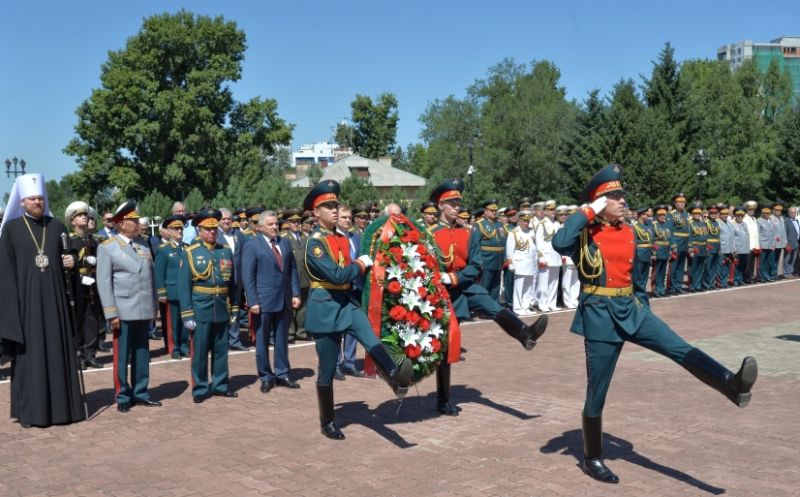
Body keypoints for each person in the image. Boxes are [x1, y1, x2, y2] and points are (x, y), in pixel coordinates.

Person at [552, 164, 758, 484]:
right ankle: (592, 457)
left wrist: (642, 305)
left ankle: (731, 383)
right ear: (598, 202)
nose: (623, 200)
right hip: (599, 317)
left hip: (631, 309)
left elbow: (634, 275)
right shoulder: (583, 232)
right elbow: (558, 241)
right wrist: (588, 209)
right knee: (597, 393)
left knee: (678, 347)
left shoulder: (628, 231)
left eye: (622, 194)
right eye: (615, 196)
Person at [302, 180, 414, 440]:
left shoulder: (341, 238)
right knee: (327, 371)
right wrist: (361, 264)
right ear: (315, 213)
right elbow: (339, 274)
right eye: (327, 206)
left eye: (335, 205)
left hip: (346, 302)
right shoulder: (315, 244)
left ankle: (396, 375)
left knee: (369, 337)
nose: (333, 209)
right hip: (325, 306)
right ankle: (327, 420)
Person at [429, 178, 548, 416]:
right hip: (442, 293)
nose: (456, 207)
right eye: (451, 202)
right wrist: (439, 280)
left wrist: (455, 278)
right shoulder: (430, 234)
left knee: (491, 304)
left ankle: (524, 334)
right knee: (446, 345)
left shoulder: (469, 233)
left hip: (463, 285)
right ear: (441, 205)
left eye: (458, 202)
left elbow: (475, 265)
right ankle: (443, 399)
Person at [0, 174, 86, 428]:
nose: (37, 202)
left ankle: (63, 409)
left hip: (55, 302)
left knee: (58, 351)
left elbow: (66, 259)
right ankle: (32, 412)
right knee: (32, 357)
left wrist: (71, 263)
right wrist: (11, 310)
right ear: (22, 201)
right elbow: (5, 272)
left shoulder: (57, 226)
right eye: (32, 198)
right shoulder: (11, 229)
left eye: (40, 198)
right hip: (27, 305)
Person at [96, 201, 161, 413]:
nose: (138, 223)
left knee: (142, 353)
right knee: (122, 355)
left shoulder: (143, 246)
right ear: (122, 224)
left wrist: (153, 307)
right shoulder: (108, 247)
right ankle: (123, 394)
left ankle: (141, 392)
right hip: (122, 311)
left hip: (143, 309)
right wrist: (111, 312)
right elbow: (104, 283)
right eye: (133, 220)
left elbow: (151, 278)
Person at [178, 208, 239, 403]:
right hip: (200, 308)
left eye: (214, 229)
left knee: (221, 351)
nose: (212, 232)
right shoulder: (190, 252)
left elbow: (234, 283)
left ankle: (220, 385)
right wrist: (187, 314)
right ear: (199, 230)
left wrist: (235, 307)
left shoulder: (225, 250)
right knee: (200, 353)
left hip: (221, 307)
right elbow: (184, 286)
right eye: (207, 229)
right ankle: (200, 387)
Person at [242, 210, 301, 394]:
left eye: (276, 223)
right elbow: (248, 275)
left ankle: (282, 373)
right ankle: (266, 376)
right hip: (263, 301)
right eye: (271, 224)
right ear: (260, 227)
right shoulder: (252, 245)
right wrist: (252, 301)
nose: (275, 227)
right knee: (262, 341)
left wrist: (296, 293)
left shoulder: (284, 242)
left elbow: (292, 270)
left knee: (282, 340)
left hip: (283, 299)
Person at [65, 201, 104, 369]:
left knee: (93, 319)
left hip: (93, 284)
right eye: (80, 216)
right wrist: (79, 261)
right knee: (78, 320)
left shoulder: (95, 241)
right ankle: (78, 354)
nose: (84, 218)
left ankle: (91, 354)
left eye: (85, 215)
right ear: (73, 221)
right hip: (76, 285)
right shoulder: (69, 240)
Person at [334, 205, 366, 379]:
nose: (347, 220)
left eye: (349, 217)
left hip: (356, 287)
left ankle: (349, 362)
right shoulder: (331, 237)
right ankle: (336, 363)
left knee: (353, 327)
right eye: (343, 217)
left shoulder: (355, 237)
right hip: (339, 287)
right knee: (337, 327)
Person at [154, 214, 190, 359]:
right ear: (168, 231)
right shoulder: (163, 249)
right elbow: (159, 272)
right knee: (173, 323)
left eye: (181, 228)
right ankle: (174, 348)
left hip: (186, 292)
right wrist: (161, 292)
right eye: (175, 229)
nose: (179, 231)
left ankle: (184, 346)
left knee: (185, 321)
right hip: (172, 291)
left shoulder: (187, 248)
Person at [505, 210, 537, 316]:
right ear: (519, 221)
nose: (526, 223)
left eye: (527, 221)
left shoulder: (531, 232)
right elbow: (510, 249)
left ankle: (526, 306)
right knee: (519, 287)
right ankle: (518, 307)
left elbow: (534, 248)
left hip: (530, 263)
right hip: (519, 263)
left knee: (528, 287)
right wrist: (511, 262)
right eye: (524, 221)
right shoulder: (513, 233)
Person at [475, 199, 505, 302]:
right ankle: (483, 306)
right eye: (491, 210)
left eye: (495, 210)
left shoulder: (499, 224)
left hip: (499, 258)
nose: (494, 212)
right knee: (485, 285)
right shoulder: (480, 224)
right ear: (485, 211)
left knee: (496, 285)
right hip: (487, 258)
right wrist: (479, 260)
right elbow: (476, 244)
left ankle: (494, 304)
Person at [535, 200, 561, 312]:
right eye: (550, 209)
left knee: (554, 281)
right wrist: (541, 257)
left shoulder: (557, 224)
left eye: (554, 209)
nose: (553, 211)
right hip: (546, 256)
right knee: (543, 282)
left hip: (556, 255)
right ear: (545, 211)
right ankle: (542, 303)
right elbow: (538, 242)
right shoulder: (542, 224)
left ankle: (552, 303)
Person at [667, 194, 690, 294]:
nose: (682, 204)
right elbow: (670, 231)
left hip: (685, 243)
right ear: (675, 203)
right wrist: (673, 245)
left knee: (681, 266)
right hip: (677, 242)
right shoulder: (671, 214)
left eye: (683, 202)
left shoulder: (686, 214)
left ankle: (678, 286)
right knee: (674, 266)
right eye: (679, 202)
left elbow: (688, 230)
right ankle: (671, 287)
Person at [651, 205, 672, 298]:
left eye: (664, 215)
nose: (662, 216)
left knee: (663, 271)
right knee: (656, 271)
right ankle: (655, 290)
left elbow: (670, 238)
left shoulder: (667, 224)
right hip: (658, 250)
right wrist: (654, 252)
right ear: (656, 215)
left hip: (666, 250)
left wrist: (672, 249)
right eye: (660, 215)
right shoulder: (653, 224)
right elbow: (652, 240)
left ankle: (661, 289)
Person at [732, 206, 750, 286]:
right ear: (735, 216)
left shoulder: (744, 224)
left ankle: (740, 279)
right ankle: (735, 280)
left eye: (741, 216)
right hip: (737, 249)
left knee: (742, 266)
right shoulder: (732, 224)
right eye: (738, 215)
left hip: (745, 249)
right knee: (736, 266)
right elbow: (732, 238)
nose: (740, 217)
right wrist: (734, 249)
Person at [784, 206, 799, 276]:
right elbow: (785, 233)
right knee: (787, 259)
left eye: (794, 212)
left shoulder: (797, 221)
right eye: (792, 212)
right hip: (789, 243)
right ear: (789, 213)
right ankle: (787, 273)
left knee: (793, 259)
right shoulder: (786, 221)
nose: (793, 214)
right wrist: (786, 243)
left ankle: (791, 271)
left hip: (796, 243)